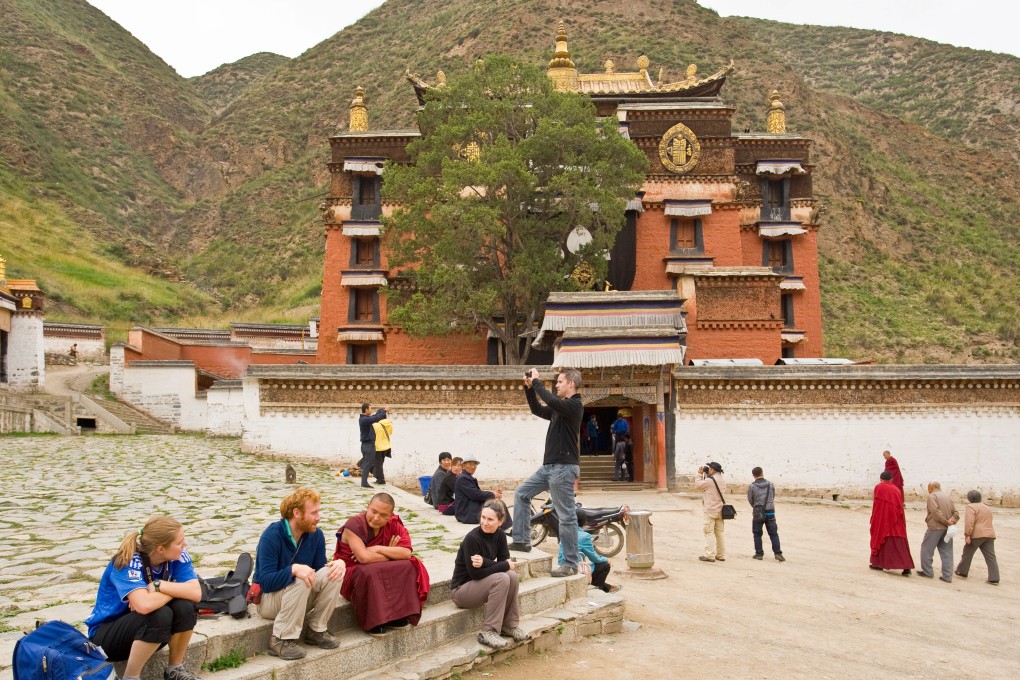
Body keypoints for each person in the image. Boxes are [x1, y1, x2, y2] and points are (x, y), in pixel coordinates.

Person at [85, 516, 202, 680]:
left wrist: (158, 585)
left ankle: (175, 670)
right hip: (107, 637)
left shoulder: (178, 556)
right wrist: (176, 589)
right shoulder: (126, 560)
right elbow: (144, 606)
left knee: (185, 606)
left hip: (147, 633)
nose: (185, 545)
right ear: (161, 549)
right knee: (160, 614)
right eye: (179, 542)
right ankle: (130, 677)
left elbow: (196, 593)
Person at [253, 487, 346, 660]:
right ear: (297, 513)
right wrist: (293, 570)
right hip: (270, 601)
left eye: (318, 512)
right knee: (301, 577)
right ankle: (280, 639)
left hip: (298, 596)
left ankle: (316, 630)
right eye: (314, 513)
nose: (318, 518)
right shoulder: (271, 536)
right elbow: (265, 582)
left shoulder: (316, 534)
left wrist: (338, 564)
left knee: (332, 573)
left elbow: (319, 571)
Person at [509, 368, 584, 578]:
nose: (557, 385)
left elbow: (551, 401)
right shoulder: (559, 408)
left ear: (571, 384)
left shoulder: (574, 405)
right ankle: (522, 540)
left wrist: (537, 382)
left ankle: (570, 563)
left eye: (560, 382)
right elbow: (537, 409)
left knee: (566, 516)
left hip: (563, 468)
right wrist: (529, 389)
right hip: (548, 467)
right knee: (521, 493)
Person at [334, 493, 430, 636]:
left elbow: (406, 554)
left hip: (376, 568)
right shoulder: (354, 525)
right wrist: (391, 554)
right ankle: (374, 621)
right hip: (352, 573)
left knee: (408, 565)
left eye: (383, 515)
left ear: (391, 515)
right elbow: (364, 558)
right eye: (373, 511)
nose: (376, 518)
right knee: (369, 571)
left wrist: (379, 548)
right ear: (368, 507)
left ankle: (397, 614)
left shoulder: (394, 524)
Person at [451, 501, 530, 649]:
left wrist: (485, 562)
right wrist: (503, 565)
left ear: (500, 522)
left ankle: (509, 625)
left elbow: (504, 564)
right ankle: (488, 631)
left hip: (480, 586)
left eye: (490, 519)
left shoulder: (500, 536)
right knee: (502, 577)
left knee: (511, 576)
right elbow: (476, 574)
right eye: (483, 517)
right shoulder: (472, 538)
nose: (485, 522)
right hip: (462, 591)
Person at [869, 471, 913, 575]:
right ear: (891, 479)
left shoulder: (879, 487)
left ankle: (878, 564)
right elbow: (900, 507)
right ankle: (906, 567)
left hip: (883, 520)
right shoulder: (896, 489)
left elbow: (876, 505)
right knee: (900, 544)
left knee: (881, 539)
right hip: (896, 520)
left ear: (881, 479)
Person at [559, 525, 622, 594]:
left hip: (564, 566)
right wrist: (605, 559)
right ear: (583, 523)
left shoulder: (564, 533)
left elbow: (560, 559)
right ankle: (600, 589)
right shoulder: (584, 536)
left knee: (591, 564)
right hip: (575, 568)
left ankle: (607, 587)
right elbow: (594, 558)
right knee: (605, 564)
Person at [455, 455, 511, 531]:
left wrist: (492, 493)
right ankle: (508, 528)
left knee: (498, 504)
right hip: (466, 513)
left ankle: (505, 527)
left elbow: (477, 493)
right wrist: (493, 495)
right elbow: (475, 495)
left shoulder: (467, 477)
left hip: (470, 509)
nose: (473, 466)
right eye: (470, 464)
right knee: (497, 505)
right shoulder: (463, 478)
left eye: (474, 464)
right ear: (464, 465)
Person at [917, 481, 959, 582]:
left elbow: (935, 512)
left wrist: (945, 521)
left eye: (928, 488)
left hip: (935, 527)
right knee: (947, 552)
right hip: (947, 529)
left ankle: (928, 572)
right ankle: (947, 576)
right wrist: (951, 521)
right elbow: (956, 513)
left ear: (931, 487)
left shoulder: (932, 496)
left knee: (927, 549)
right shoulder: (947, 497)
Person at [955, 490, 999, 585]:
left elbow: (969, 522)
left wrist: (967, 535)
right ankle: (994, 577)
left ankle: (962, 571)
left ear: (969, 498)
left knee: (967, 553)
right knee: (991, 557)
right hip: (990, 534)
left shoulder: (971, 507)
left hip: (977, 534)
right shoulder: (987, 507)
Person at [747, 467, 784, 561]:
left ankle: (759, 554)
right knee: (773, 534)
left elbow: (750, 500)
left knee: (757, 533)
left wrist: (756, 507)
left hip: (758, 512)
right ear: (762, 473)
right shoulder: (770, 484)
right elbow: (773, 496)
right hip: (770, 511)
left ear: (753, 475)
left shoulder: (752, 486)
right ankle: (778, 553)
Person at [695, 462, 727, 563]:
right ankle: (721, 555)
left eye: (709, 468)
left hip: (710, 510)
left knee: (709, 532)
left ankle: (710, 555)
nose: (707, 469)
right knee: (719, 533)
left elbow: (698, 486)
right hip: (720, 510)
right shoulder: (722, 480)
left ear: (712, 470)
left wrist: (699, 474)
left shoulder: (710, 481)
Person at [358, 403, 388, 488]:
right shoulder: (364, 420)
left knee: (367, 463)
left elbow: (375, 416)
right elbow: (376, 418)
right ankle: (364, 483)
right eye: (370, 408)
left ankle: (364, 482)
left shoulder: (365, 419)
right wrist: (385, 411)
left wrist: (382, 411)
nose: (371, 410)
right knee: (367, 464)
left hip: (367, 445)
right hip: (368, 445)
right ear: (366, 409)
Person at [372, 415, 393, 484]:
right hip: (386, 447)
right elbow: (390, 433)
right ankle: (378, 478)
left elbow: (372, 435)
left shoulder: (375, 425)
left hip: (378, 447)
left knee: (378, 464)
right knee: (380, 464)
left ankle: (381, 480)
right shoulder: (389, 424)